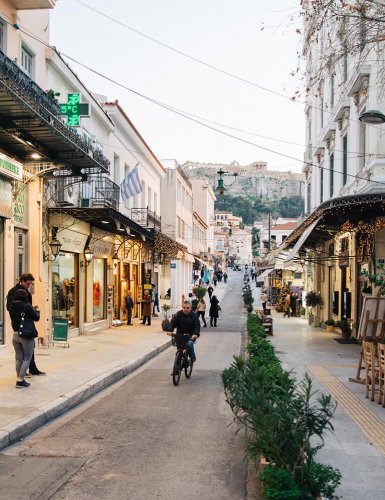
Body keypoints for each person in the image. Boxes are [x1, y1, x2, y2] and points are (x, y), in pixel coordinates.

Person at [6, 273, 45, 376]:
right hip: (20, 325)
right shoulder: (14, 291)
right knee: (24, 351)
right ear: (22, 281)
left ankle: (29, 369)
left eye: (31, 283)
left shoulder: (26, 291)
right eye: (28, 283)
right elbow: (9, 308)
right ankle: (22, 375)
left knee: (28, 348)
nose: (30, 285)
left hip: (27, 323)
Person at [9, 289, 40, 388]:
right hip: (26, 336)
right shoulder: (27, 306)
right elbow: (36, 318)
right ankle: (20, 380)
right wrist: (37, 311)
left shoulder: (12, 306)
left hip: (15, 335)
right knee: (27, 358)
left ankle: (19, 377)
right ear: (25, 296)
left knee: (18, 358)